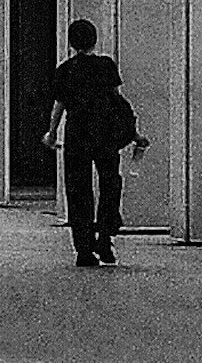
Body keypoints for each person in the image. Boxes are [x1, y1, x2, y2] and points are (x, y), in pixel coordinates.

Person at [42, 20, 140, 267]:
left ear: (71, 43)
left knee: (78, 190)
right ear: (95, 39)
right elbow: (118, 102)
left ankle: (83, 250)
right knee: (110, 183)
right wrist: (133, 132)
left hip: (77, 133)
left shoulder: (65, 70)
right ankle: (105, 236)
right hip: (105, 133)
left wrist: (52, 132)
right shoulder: (106, 66)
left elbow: (60, 106)